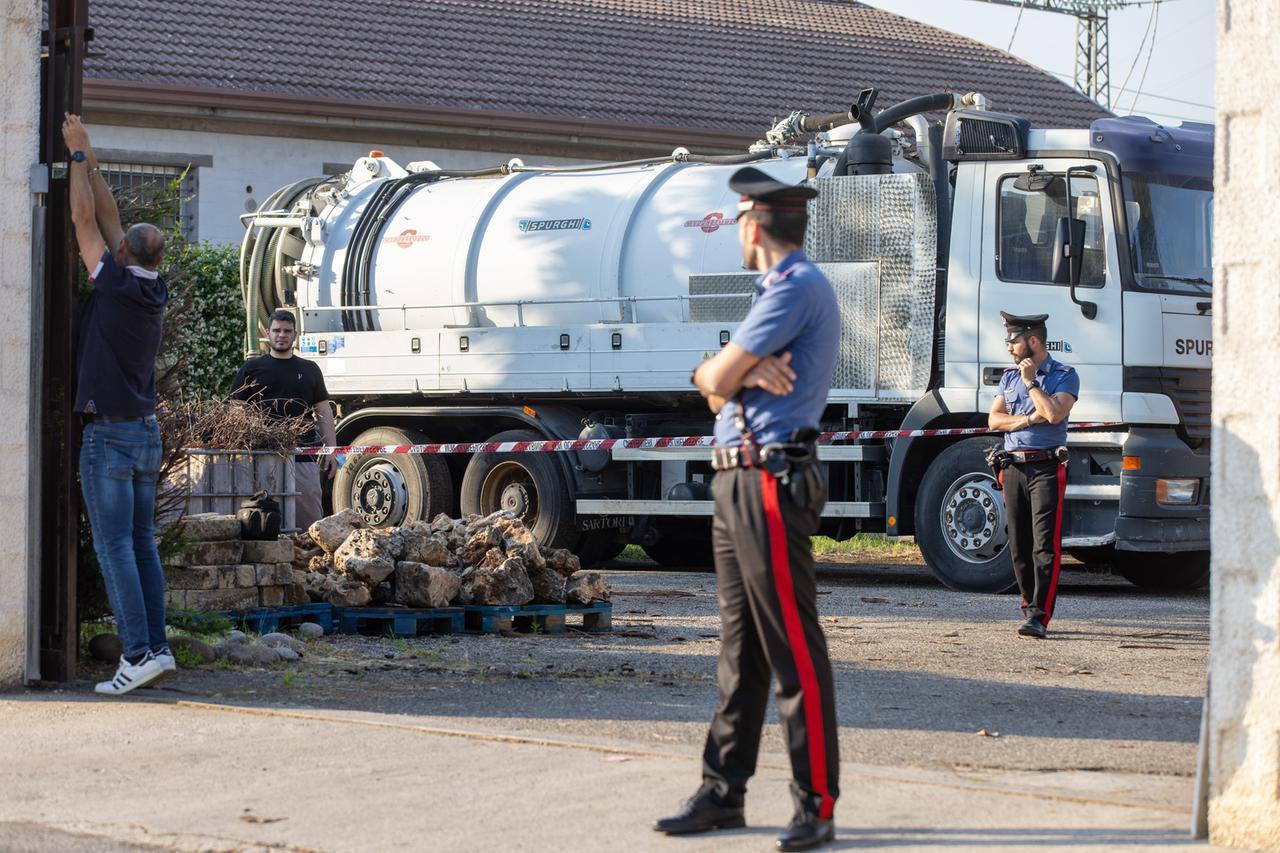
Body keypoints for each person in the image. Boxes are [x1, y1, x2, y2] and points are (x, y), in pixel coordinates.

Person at [655, 167, 840, 852]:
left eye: (737, 220)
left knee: (792, 646)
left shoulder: (795, 288)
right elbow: (712, 386)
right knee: (740, 651)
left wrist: (728, 371)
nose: (735, 229)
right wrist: (727, 371)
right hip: (739, 479)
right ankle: (723, 790)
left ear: (754, 225)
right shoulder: (773, 292)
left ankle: (814, 801)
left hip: (769, 479)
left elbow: (715, 378)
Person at [62, 114, 174, 695]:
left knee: (115, 550)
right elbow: (105, 216)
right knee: (142, 546)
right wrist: (91, 156)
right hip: (144, 433)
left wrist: (77, 157)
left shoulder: (114, 284)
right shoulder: (149, 287)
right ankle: (157, 647)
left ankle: (135, 655)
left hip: (109, 438)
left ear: (125, 252)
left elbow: (85, 218)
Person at [988, 312, 1080, 639]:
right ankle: (1028, 606)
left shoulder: (1065, 375)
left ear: (1033, 341)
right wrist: (1027, 420)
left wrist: (1031, 384)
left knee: (1045, 545)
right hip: (1012, 465)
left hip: (1045, 467)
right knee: (1018, 544)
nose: (1009, 347)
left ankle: (1040, 616)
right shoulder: (1008, 377)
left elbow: (1054, 413)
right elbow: (994, 420)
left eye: (1013, 341)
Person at [229, 310, 338, 529]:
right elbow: (236, 412)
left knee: (311, 524)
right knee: (262, 522)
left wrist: (332, 451)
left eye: (287, 331)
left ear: (295, 334)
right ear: (267, 333)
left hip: (302, 456)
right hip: (261, 457)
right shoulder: (251, 369)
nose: (281, 335)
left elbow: (324, 411)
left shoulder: (309, 369)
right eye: (276, 330)